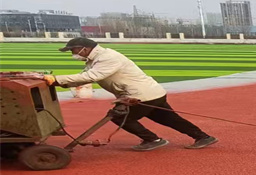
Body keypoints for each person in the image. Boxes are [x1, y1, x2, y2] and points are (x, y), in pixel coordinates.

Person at [43, 37, 217, 151]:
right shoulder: (95, 59)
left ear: (84, 48)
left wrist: (55, 79)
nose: (72, 54)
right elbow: (84, 78)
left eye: (72, 50)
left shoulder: (108, 57)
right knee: (169, 119)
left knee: (119, 117)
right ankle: (203, 137)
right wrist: (58, 82)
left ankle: (152, 140)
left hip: (141, 95)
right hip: (152, 92)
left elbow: (92, 76)